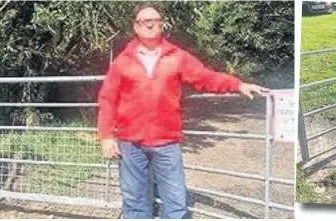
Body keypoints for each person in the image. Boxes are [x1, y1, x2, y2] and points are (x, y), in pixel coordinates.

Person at [97, 3, 269, 219]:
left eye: (154, 21)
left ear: (162, 25)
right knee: (134, 203)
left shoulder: (176, 57)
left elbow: (205, 77)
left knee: (176, 203)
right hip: (130, 144)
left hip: (167, 143)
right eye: (144, 21)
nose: (149, 24)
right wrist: (105, 137)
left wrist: (238, 85)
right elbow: (107, 99)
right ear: (136, 27)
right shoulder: (122, 62)